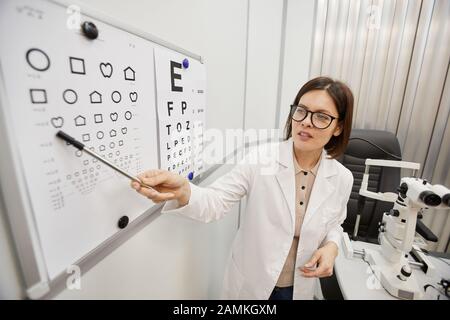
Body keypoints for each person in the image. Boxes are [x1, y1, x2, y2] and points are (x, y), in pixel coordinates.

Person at [131, 76, 354, 300]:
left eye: (322, 117)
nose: (306, 121)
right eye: (301, 111)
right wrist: (184, 190)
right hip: (253, 285)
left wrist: (332, 246)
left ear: (338, 127)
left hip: (300, 287)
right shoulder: (261, 159)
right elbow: (215, 201)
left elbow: (334, 222)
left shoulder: (342, 178)